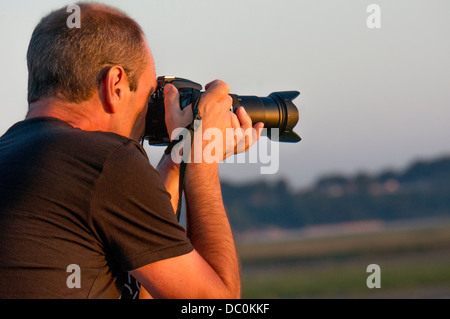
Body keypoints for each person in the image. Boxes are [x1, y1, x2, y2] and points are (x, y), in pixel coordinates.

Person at [0, 2, 263, 299]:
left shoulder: (16, 158)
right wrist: (203, 163)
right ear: (115, 85)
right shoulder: (108, 161)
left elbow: (145, 288)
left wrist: (180, 157)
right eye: (150, 93)